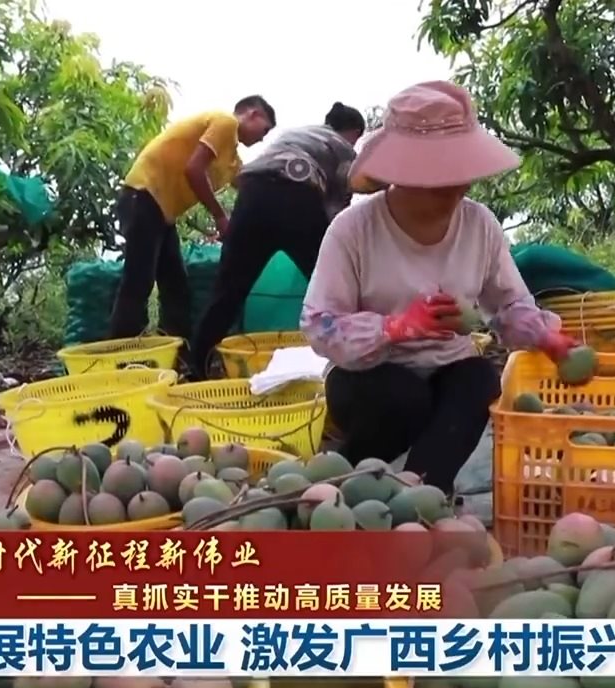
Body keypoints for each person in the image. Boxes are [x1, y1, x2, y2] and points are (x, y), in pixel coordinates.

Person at [299, 80, 584, 494]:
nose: (455, 186)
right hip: (370, 377)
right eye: (438, 176)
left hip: (447, 368)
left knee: (479, 382)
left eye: (460, 172)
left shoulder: (479, 225)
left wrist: (548, 338)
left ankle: (423, 494)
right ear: (398, 174)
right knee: (403, 398)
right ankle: (347, 482)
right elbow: (320, 324)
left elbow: (509, 304)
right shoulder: (353, 230)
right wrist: (396, 327)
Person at [189, 103, 369, 374]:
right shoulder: (343, 148)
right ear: (353, 132)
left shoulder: (295, 134)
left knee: (227, 292)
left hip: (252, 196)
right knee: (334, 287)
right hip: (298, 198)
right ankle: (358, 361)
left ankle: (196, 367)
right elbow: (338, 209)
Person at [108, 96, 277, 342]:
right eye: (265, 130)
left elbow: (249, 187)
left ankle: (179, 349)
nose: (263, 138)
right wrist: (219, 216)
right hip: (143, 195)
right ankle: (122, 351)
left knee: (175, 286)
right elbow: (194, 169)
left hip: (162, 213)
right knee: (139, 281)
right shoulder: (225, 123)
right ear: (253, 114)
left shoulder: (231, 158)